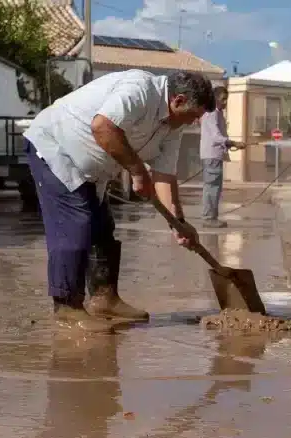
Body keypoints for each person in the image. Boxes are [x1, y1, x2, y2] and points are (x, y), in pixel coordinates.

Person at [23, 70, 213, 333]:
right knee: (76, 225)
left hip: (93, 169)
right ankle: (67, 308)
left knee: (102, 228)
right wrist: (137, 170)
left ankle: (105, 300)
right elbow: (103, 126)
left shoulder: (173, 126)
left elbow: (164, 175)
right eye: (193, 116)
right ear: (178, 100)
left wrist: (178, 222)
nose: (193, 123)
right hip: (55, 148)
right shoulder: (139, 89)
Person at [199, 86, 246, 228]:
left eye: (226, 99)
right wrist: (233, 143)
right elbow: (216, 136)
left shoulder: (217, 113)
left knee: (215, 187)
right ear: (215, 99)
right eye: (223, 99)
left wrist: (231, 144)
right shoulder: (212, 113)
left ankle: (211, 217)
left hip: (215, 155)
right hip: (212, 156)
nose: (225, 102)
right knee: (212, 187)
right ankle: (209, 218)